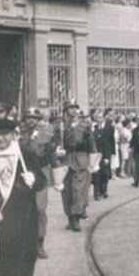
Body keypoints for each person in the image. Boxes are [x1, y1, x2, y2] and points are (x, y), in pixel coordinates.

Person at [0, 118, 47, 276]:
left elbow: (41, 182)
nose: (0, 138)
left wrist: (33, 178)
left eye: (4, 134)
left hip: (18, 210)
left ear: (13, 135)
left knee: (14, 247)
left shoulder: (23, 153)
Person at [52, 99, 97, 232]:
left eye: (75, 107)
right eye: (70, 108)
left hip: (80, 158)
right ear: (65, 110)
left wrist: (93, 160)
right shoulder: (58, 125)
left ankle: (76, 217)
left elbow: (91, 143)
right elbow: (53, 142)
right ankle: (70, 218)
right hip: (65, 159)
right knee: (66, 191)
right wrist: (56, 150)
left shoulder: (85, 124)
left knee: (78, 189)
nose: (73, 110)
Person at [18, 108, 55, 259]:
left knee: (40, 208)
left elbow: (51, 154)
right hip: (23, 173)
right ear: (25, 119)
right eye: (28, 117)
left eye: (34, 117)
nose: (31, 120)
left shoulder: (46, 135)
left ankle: (39, 243)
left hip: (41, 172)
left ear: (39, 119)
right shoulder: (17, 135)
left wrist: (58, 174)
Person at [92, 108, 116, 200]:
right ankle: (97, 192)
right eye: (97, 118)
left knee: (105, 172)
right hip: (96, 155)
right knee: (96, 174)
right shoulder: (94, 128)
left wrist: (111, 154)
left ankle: (104, 190)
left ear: (103, 118)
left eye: (101, 117)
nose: (99, 119)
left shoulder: (109, 128)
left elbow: (111, 141)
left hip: (106, 154)